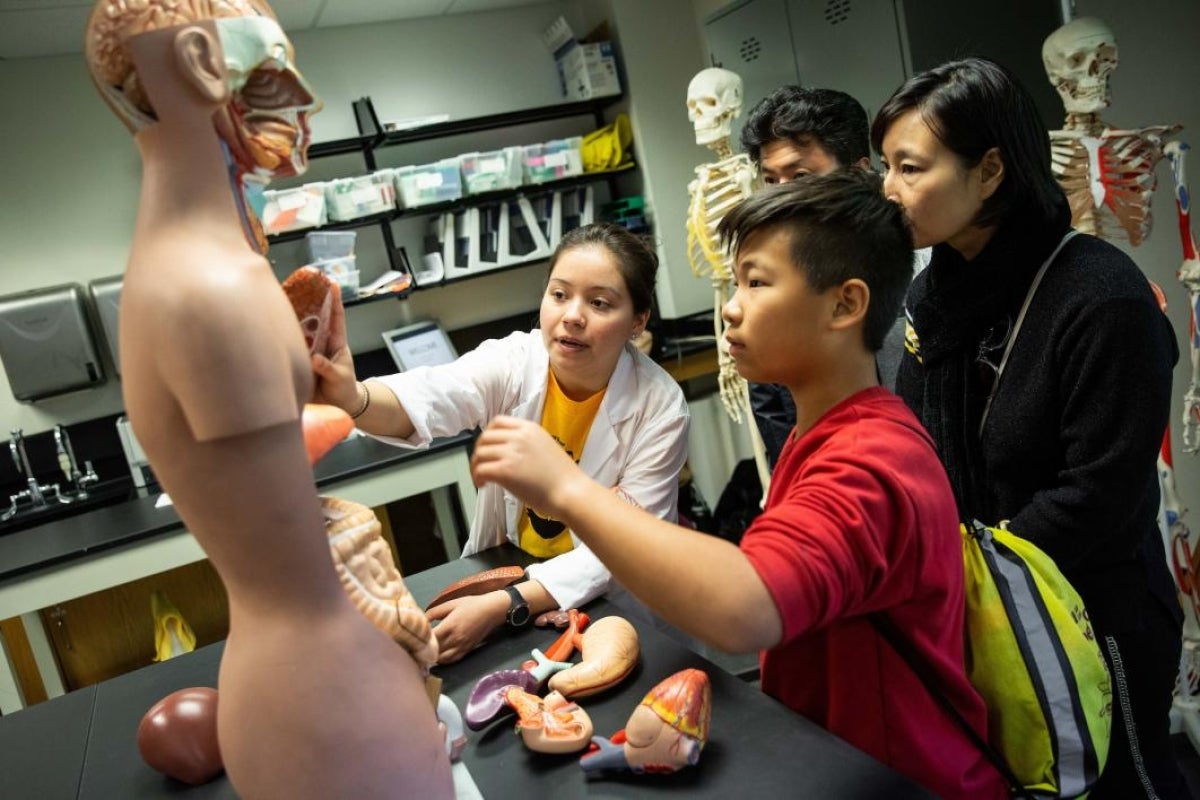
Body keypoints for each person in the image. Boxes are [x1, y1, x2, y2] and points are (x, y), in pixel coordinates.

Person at [469, 171, 1009, 800]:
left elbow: (745, 610)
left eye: (756, 282)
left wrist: (568, 490)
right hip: (830, 758)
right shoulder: (824, 434)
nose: (730, 304)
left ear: (845, 304)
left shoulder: (870, 461)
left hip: (901, 779)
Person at [84, 1, 452, 797]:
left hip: (293, 683)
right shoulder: (215, 287)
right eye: (275, 69)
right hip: (331, 695)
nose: (301, 102)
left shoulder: (169, 267)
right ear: (198, 61)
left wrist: (309, 382)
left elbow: (257, 468)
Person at [872, 57, 1187, 800]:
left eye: (910, 168)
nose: (889, 190)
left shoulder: (1101, 298)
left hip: (1092, 611)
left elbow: (1098, 494)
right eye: (885, 166)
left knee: (1124, 786)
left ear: (989, 171)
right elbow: (922, 447)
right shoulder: (932, 292)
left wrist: (973, 580)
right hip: (984, 612)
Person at [313, 222, 690, 664]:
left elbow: (627, 546)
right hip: (514, 568)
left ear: (638, 321)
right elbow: (432, 395)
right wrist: (351, 397)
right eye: (559, 294)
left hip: (613, 604)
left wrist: (504, 604)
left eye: (600, 302)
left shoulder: (660, 408)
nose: (571, 315)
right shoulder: (515, 361)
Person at [739, 86, 914, 467]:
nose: (782, 199)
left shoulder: (919, 266)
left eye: (800, 176)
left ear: (859, 173)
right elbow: (774, 413)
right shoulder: (769, 280)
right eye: (770, 181)